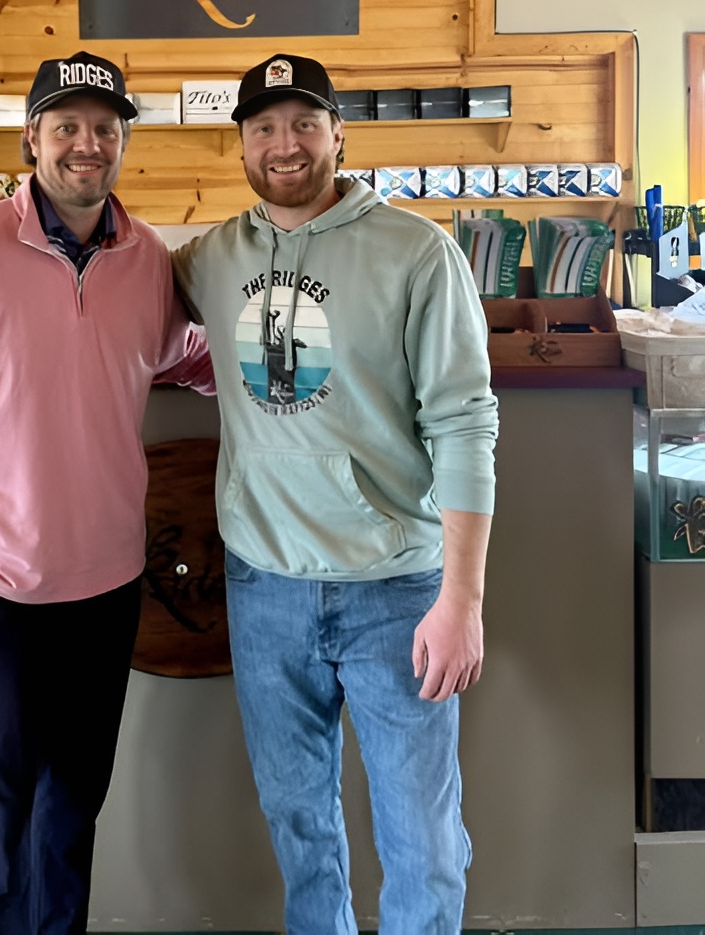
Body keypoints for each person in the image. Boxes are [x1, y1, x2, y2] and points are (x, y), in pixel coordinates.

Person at [171, 53, 498, 935]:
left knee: (422, 839)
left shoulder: (417, 251)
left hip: (395, 590)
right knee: (299, 827)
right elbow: (125, 307)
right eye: (265, 126)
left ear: (339, 134)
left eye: (304, 123)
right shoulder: (213, 257)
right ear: (240, 144)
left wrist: (460, 600)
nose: (285, 144)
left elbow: (466, 425)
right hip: (263, 586)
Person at [0, 50, 213, 935]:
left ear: (123, 143)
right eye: (67, 126)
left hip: (108, 590)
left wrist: (280, 365)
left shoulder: (147, 257)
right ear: (32, 137)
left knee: (72, 817)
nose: (87, 144)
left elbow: (184, 356)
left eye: (105, 128)